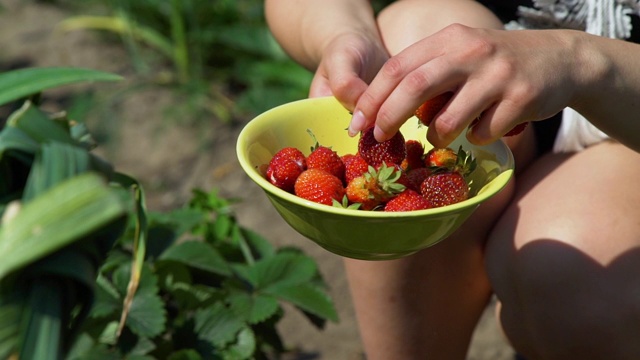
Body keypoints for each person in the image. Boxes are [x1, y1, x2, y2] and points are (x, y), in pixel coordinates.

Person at [265, 0, 640, 358]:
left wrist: (580, 61)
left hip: (626, 111)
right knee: (413, 45)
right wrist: (341, 33)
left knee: (576, 283)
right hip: (494, 101)